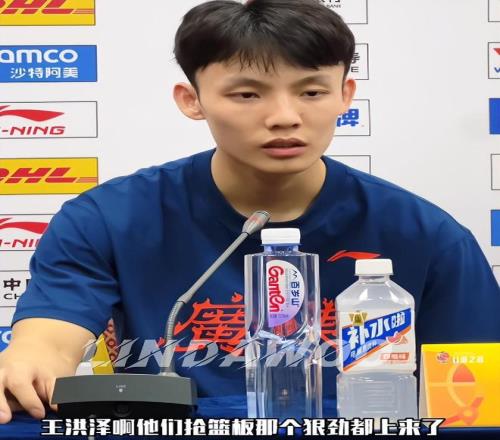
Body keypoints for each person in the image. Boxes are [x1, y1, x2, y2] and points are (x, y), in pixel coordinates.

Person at [0, 0, 499, 424]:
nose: (284, 116)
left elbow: (472, 390)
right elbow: (48, 340)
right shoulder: (107, 219)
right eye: (247, 94)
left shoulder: (425, 234)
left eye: (312, 91)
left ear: (344, 96)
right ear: (192, 100)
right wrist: (28, 361)